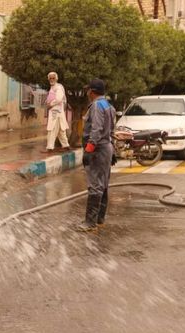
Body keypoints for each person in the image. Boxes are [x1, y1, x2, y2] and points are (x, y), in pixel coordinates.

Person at [78, 78, 115, 232]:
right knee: (103, 184)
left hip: (98, 149)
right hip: (106, 147)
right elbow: (111, 130)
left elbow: (97, 129)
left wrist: (89, 149)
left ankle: (90, 223)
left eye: (88, 90)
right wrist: (113, 151)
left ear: (92, 92)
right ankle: (99, 219)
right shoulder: (109, 105)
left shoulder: (96, 106)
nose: (87, 93)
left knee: (95, 185)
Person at [44, 72, 70, 153]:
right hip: (56, 112)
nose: (51, 80)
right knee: (60, 130)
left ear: (56, 79)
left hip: (56, 112)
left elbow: (59, 99)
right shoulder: (53, 87)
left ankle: (50, 148)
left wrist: (50, 105)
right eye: (50, 78)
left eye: (53, 78)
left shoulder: (58, 87)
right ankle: (66, 146)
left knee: (52, 129)